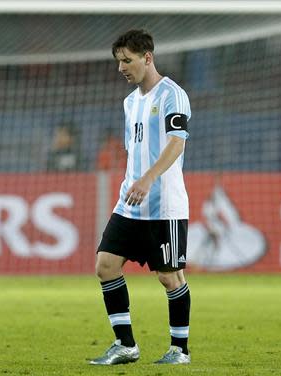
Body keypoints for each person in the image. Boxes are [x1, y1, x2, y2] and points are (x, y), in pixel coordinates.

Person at [89, 29, 192, 366]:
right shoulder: (130, 102)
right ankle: (125, 344)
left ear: (147, 57)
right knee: (105, 264)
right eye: (118, 61)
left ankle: (180, 349)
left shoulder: (172, 95)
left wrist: (149, 178)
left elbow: (177, 143)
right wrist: (136, 180)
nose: (121, 67)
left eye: (127, 60)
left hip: (165, 206)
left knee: (169, 277)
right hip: (130, 203)